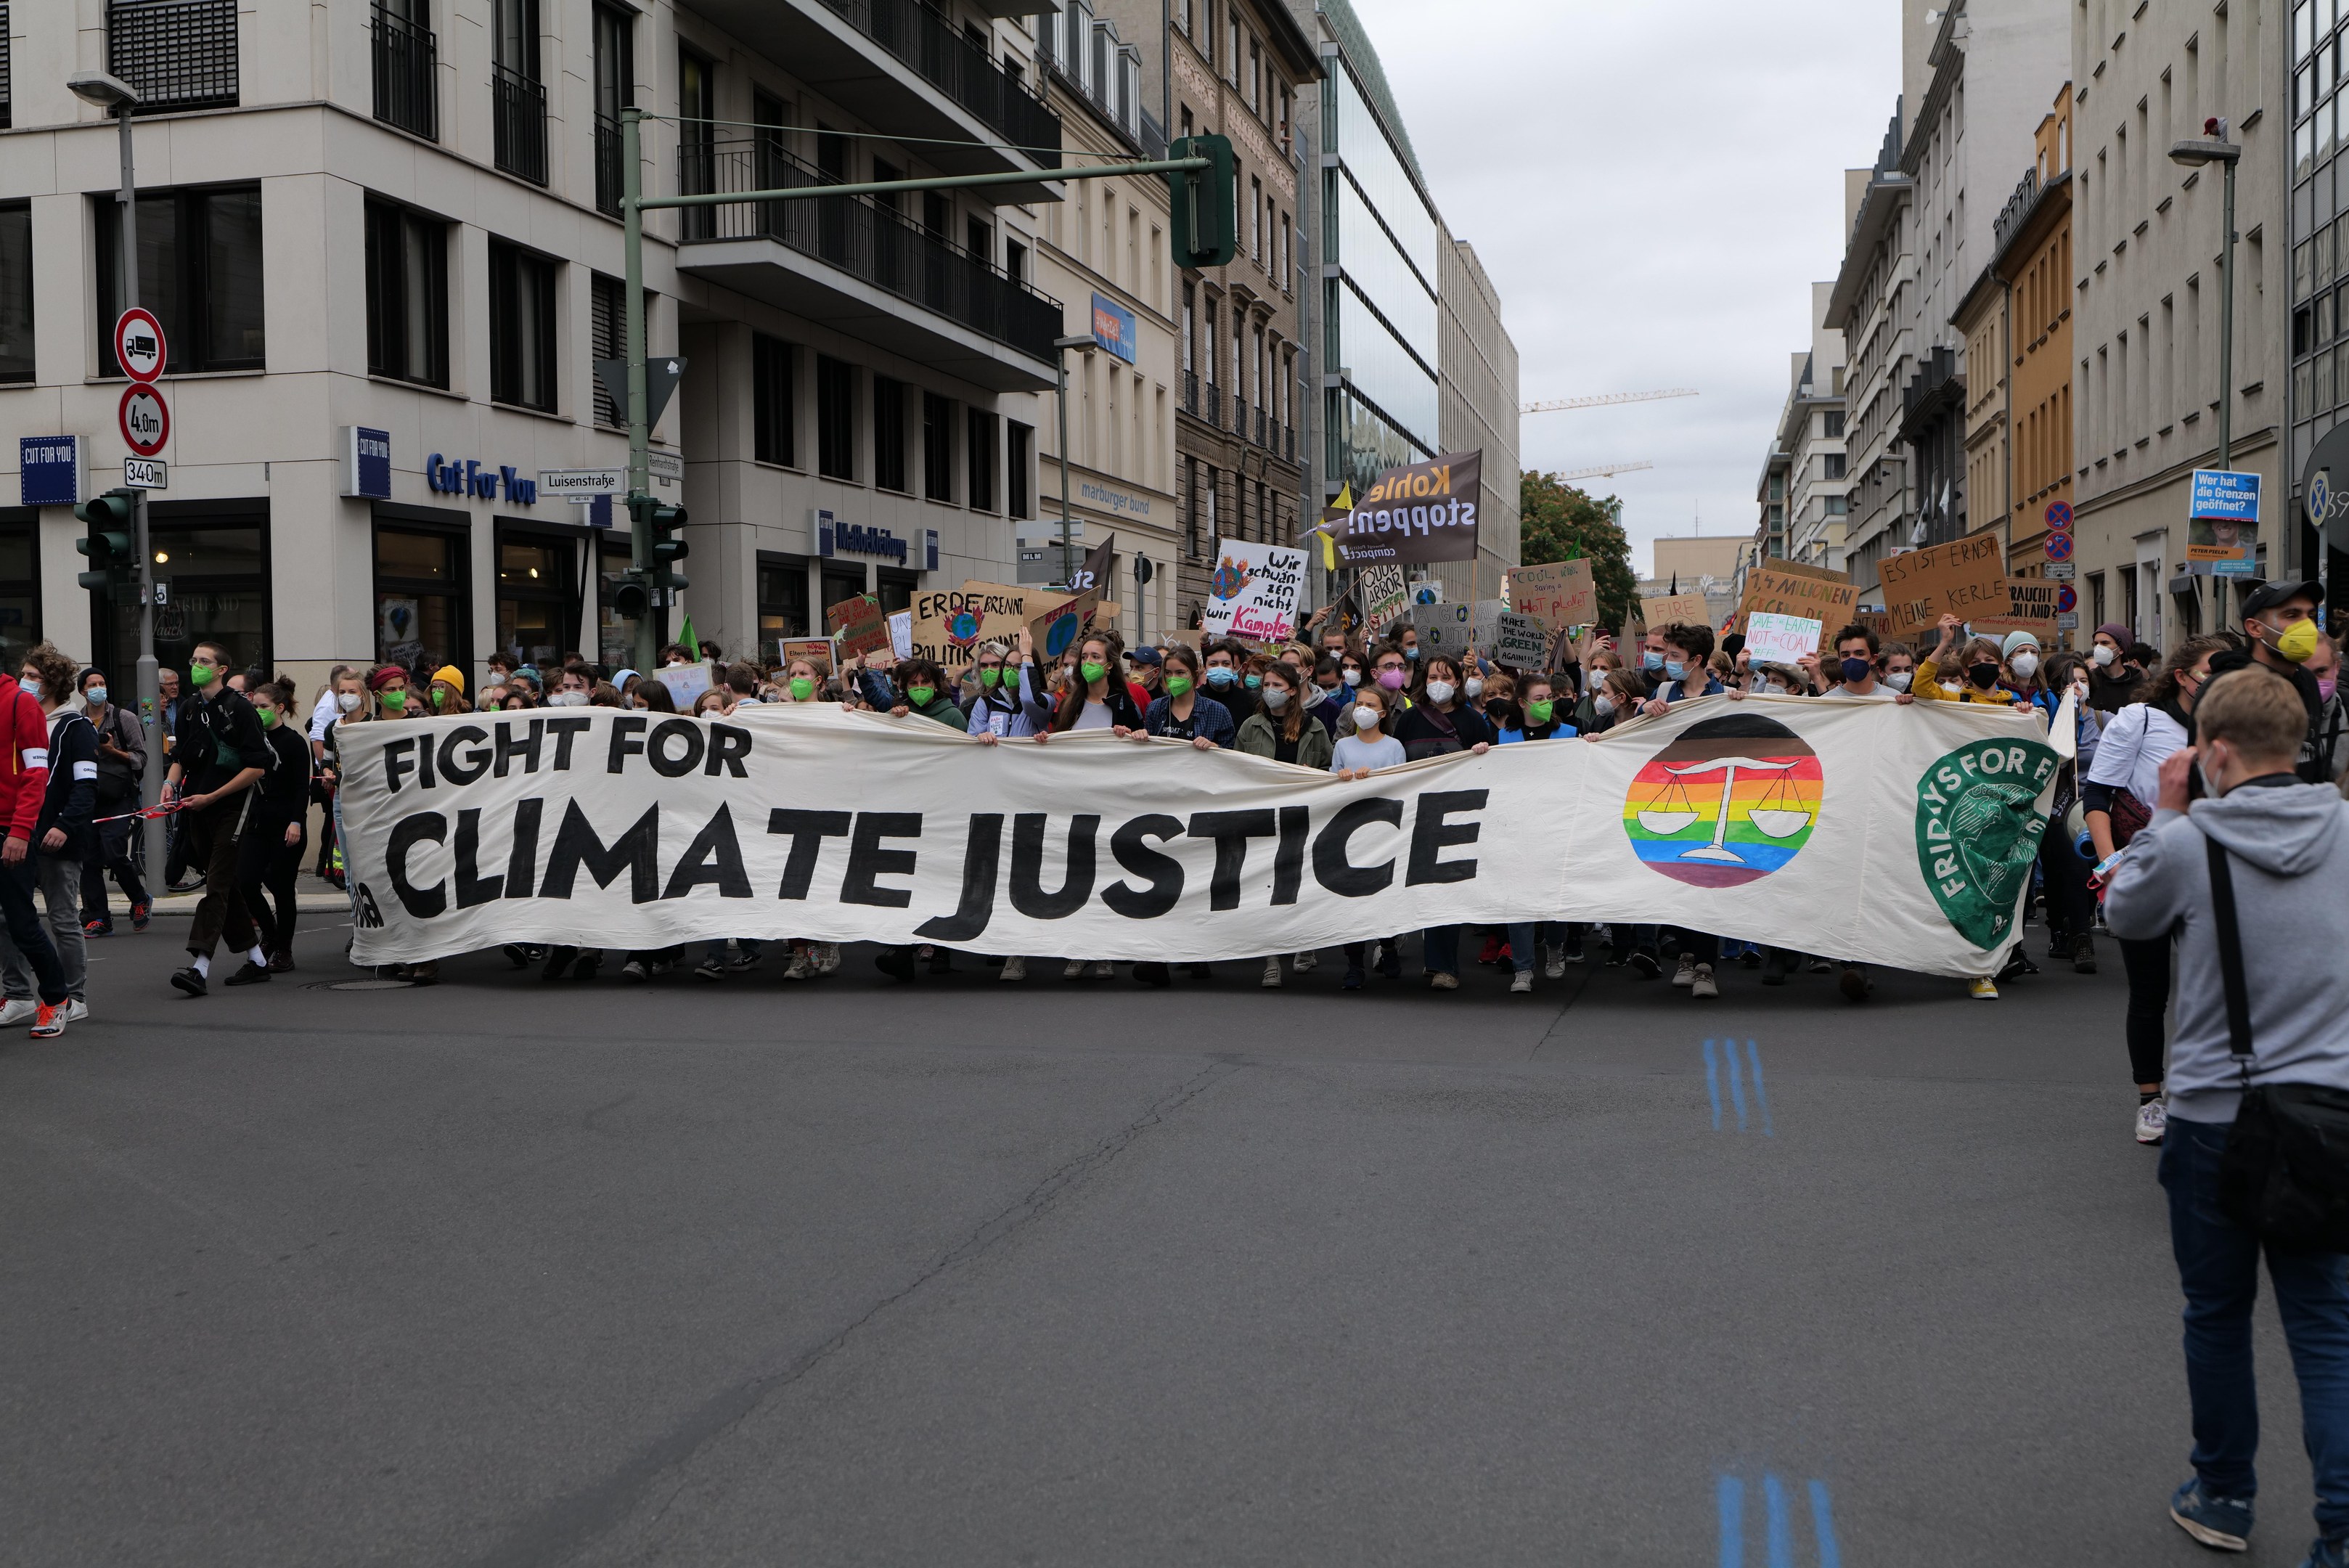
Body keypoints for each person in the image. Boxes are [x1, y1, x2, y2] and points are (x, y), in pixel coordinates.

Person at [2101, 666, 2349, 1566]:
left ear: (2209, 753)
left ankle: (2224, 1495)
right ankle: (2343, 1526)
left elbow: (2125, 917)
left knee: (2216, 1311)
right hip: (2328, 1111)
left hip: (2212, 1113)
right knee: (2323, 1324)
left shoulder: (2185, 843)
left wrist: (2166, 814)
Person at [2086, 634, 2229, 1128]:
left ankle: (2204, 1092)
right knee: (2150, 991)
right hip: (2146, 868)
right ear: (2183, 675)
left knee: (2211, 987)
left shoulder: (2233, 728)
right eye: (2211, 670)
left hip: (2211, 873)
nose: (2218, 681)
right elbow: (2098, 797)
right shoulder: (2141, 719)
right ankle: (2151, 1097)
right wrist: (2112, 868)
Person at [163, 640, 271, 999]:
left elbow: (258, 766)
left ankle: (200, 967)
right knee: (225, 886)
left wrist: (214, 796)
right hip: (198, 807)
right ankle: (257, 960)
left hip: (232, 807)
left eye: (204, 661)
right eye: (193, 660)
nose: (195, 665)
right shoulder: (190, 708)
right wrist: (170, 784)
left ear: (222, 670)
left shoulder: (241, 709)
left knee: (216, 887)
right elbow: (181, 756)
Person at [0, 645, 96, 1025]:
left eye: (35, 677)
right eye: (24, 673)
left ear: (53, 683)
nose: (27, 681)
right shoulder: (16, 713)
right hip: (22, 829)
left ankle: (72, 996)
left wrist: (60, 825)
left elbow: (85, 787)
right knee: (10, 917)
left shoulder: (77, 726)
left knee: (60, 918)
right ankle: (18, 993)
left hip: (56, 834)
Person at [1389, 655, 1492, 989]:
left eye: (1446, 677)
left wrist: (1481, 753)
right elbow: (1397, 764)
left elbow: (1489, 768)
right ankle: (1430, 958)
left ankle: (1445, 967)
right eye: (1433, 676)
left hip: (1457, 816)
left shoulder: (1473, 720)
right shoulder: (1408, 719)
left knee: (1445, 891)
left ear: (1458, 683)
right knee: (1420, 890)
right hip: (1413, 815)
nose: (1438, 682)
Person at [225, 679, 314, 983]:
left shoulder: (293, 742)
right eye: (254, 707)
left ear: (279, 708)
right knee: (246, 880)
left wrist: (296, 821)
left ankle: (284, 950)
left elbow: (303, 787)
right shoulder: (250, 739)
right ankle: (271, 934)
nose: (258, 712)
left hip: (285, 823)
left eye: (263, 707)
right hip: (256, 822)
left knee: (283, 887)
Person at [1331, 683, 1408, 991]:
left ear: (1382, 713)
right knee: (1350, 900)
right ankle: (1354, 964)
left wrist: (1372, 779)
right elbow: (1331, 785)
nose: (1362, 708)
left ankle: (1387, 946)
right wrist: (1343, 779)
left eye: (1369, 704)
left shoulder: (1393, 746)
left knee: (1381, 897)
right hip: (1349, 830)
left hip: (1383, 832)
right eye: (1358, 703)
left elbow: (1402, 785)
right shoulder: (1343, 747)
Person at [77, 666, 150, 935]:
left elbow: (141, 758)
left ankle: (140, 899)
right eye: (92, 684)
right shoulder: (77, 720)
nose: (98, 688)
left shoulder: (124, 718)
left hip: (119, 796)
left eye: (102, 682)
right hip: (87, 798)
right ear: (83, 690)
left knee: (114, 852)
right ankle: (99, 917)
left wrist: (111, 751)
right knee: (89, 859)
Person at [1133, 645, 1234, 748]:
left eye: (1180, 672)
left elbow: (1231, 752)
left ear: (1194, 675)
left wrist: (1214, 746)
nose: (1173, 678)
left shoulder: (1217, 712)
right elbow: (1148, 748)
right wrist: (1140, 736)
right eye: (1168, 673)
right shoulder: (1155, 708)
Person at [2085, 621, 2149, 713]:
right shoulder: (2089, 682)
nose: (2098, 648)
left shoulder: (2141, 686)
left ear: (2121, 649)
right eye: (2096, 644)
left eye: (2104, 643)